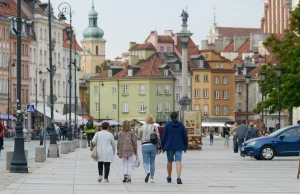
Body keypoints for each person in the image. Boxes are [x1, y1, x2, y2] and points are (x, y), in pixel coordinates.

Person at [161, 112, 188, 185]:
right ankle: (178, 177)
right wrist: (185, 145)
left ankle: (169, 176)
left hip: (169, 146)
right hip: (179, 145)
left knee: (169, 161)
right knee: (178, 161)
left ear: (170, 117)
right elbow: (185, 136)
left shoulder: (167, 125)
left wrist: (162, 146)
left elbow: (163, 136)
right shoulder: (181, 125)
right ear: (177, 117)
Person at [137, 114, 161, 183]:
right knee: (152, 162)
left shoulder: (142, 127)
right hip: (153, 145)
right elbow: (158, 137)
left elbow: (138, 137)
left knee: (145, 162)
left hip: (145, 145)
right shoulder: (154, 127)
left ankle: (147, 172)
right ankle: (152, 178)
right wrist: (159, 147)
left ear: (146, 119)